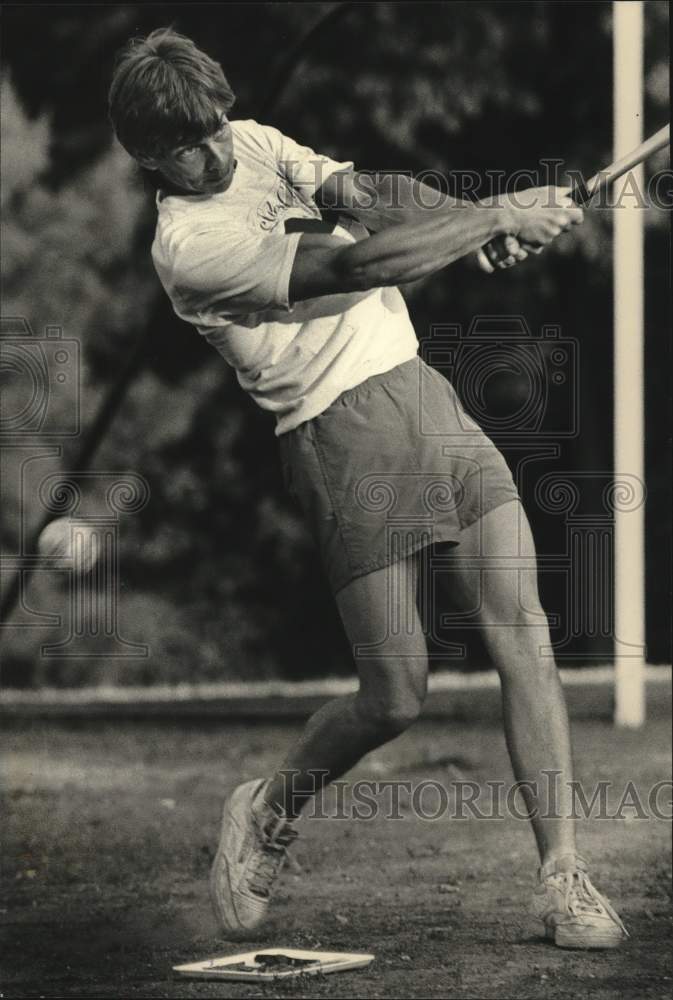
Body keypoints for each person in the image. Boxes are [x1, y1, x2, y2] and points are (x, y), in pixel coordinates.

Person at [108, 27, 628, 950]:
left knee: (524, 633)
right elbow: (353, 268)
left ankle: (563, 879)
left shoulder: (254, 143)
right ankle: (270, 805)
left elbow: (371, 203)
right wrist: (498, 215)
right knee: (395, 696)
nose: (219, 147)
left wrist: (473, 231)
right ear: (151, 158)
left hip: (420, 392)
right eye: (193, 144)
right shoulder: (189, 249)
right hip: (334, 433)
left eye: (218, 123)